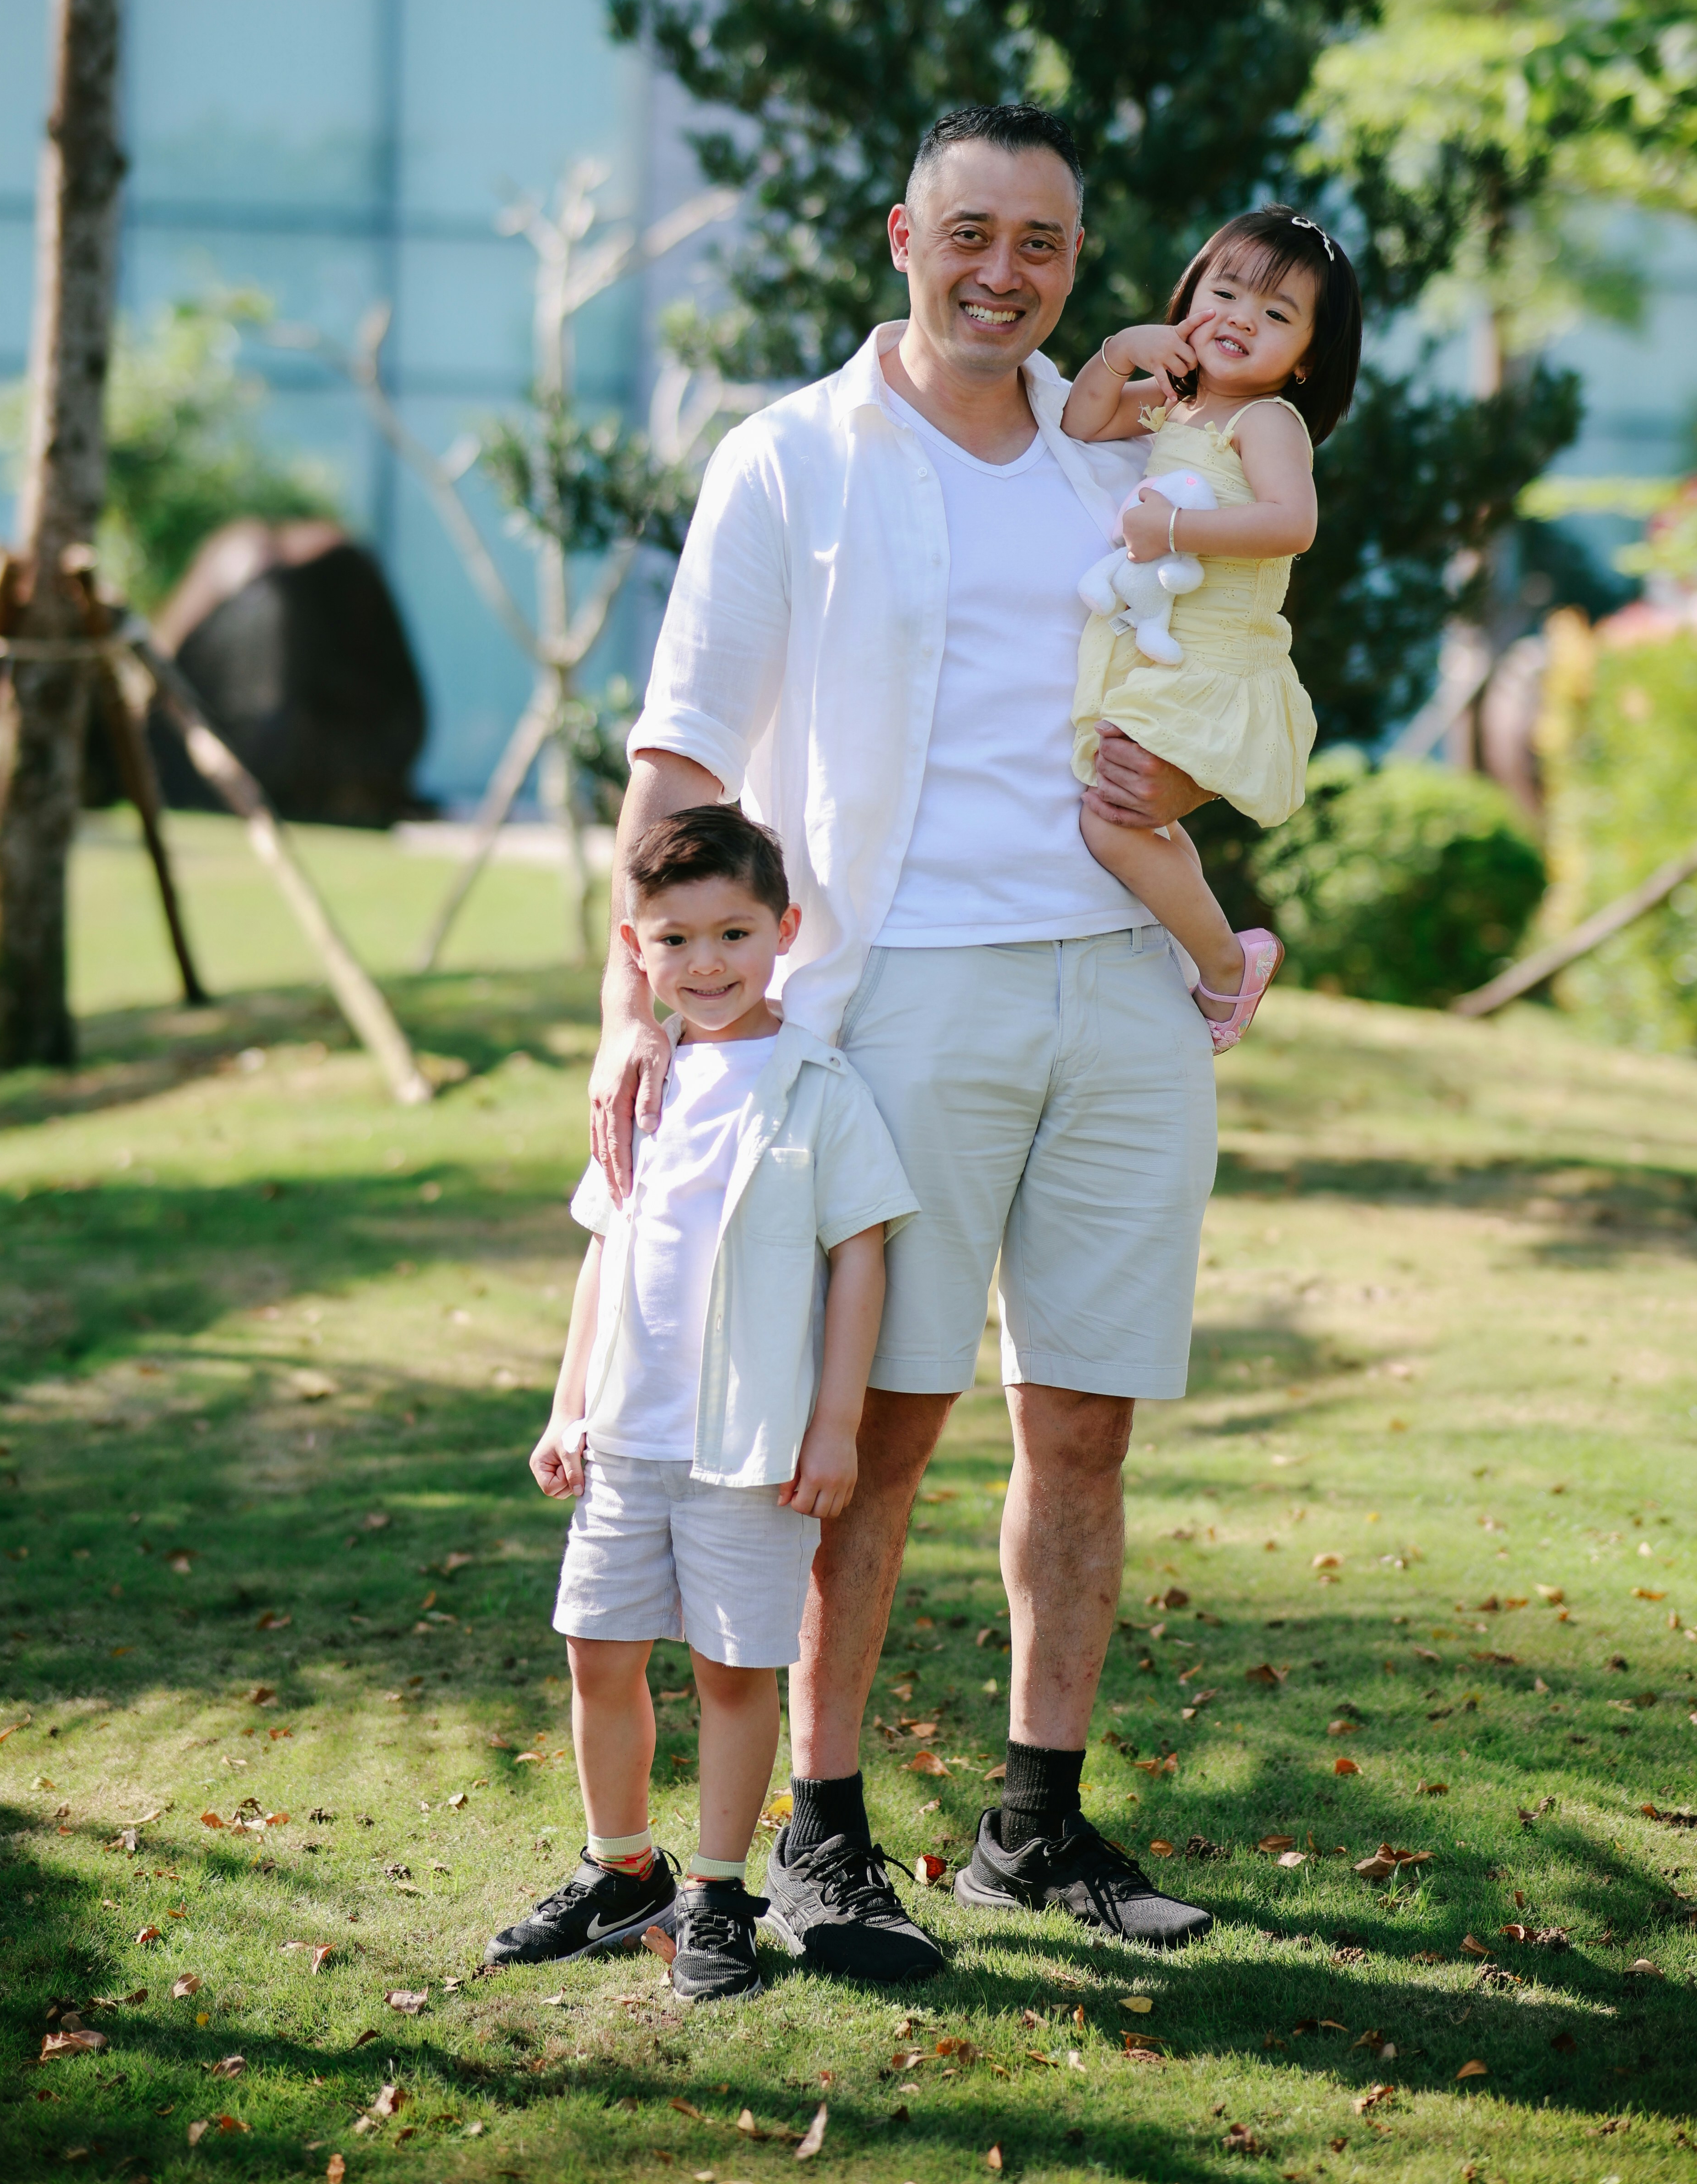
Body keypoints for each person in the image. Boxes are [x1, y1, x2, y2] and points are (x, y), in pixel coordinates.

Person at [589, 103, 1223, 1978]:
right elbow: (684, 754)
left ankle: (1033, 1825)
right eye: (971, 233)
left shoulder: (1120, 466)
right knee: (875, 1432)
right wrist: (635, 1008)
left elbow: (1214, 691)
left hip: (1124, 986)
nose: (1003, 273)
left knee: (1084, 1422)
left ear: (1074, 262)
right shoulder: (791, 459)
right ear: (901, 237)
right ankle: (823, 1827)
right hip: (906, 991)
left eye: (1042, 243)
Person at [487, 804, 919, 2003]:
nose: (708, 962)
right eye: (675, 940)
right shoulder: (640, 1085)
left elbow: (860, 1260)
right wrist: (567, 1407)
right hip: (626, 1435)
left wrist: (835, 1426)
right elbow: (605, 1249)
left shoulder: (819, 1089)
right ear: (636, 950)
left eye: (734, 933)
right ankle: (622, 1870)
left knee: (732, 1671)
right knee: (598, 1651)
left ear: (785, 931)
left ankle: (719, 1894)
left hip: (750, 1447)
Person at [1061, 205, 1363, 1051]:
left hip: (1217, 657)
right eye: (1225, 293)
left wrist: (1174, 530)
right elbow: (1082, 422)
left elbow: (1293, 523)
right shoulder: (1180, 405)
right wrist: (1124, 350)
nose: (1241, 319)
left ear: (1306, 361)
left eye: (1277, 315)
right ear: (1192, 295)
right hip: (1169, 651)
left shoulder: (1263, 421)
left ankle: (1227, 963)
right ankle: (1218, 957)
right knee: (1139, 820)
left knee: (1109, 821)